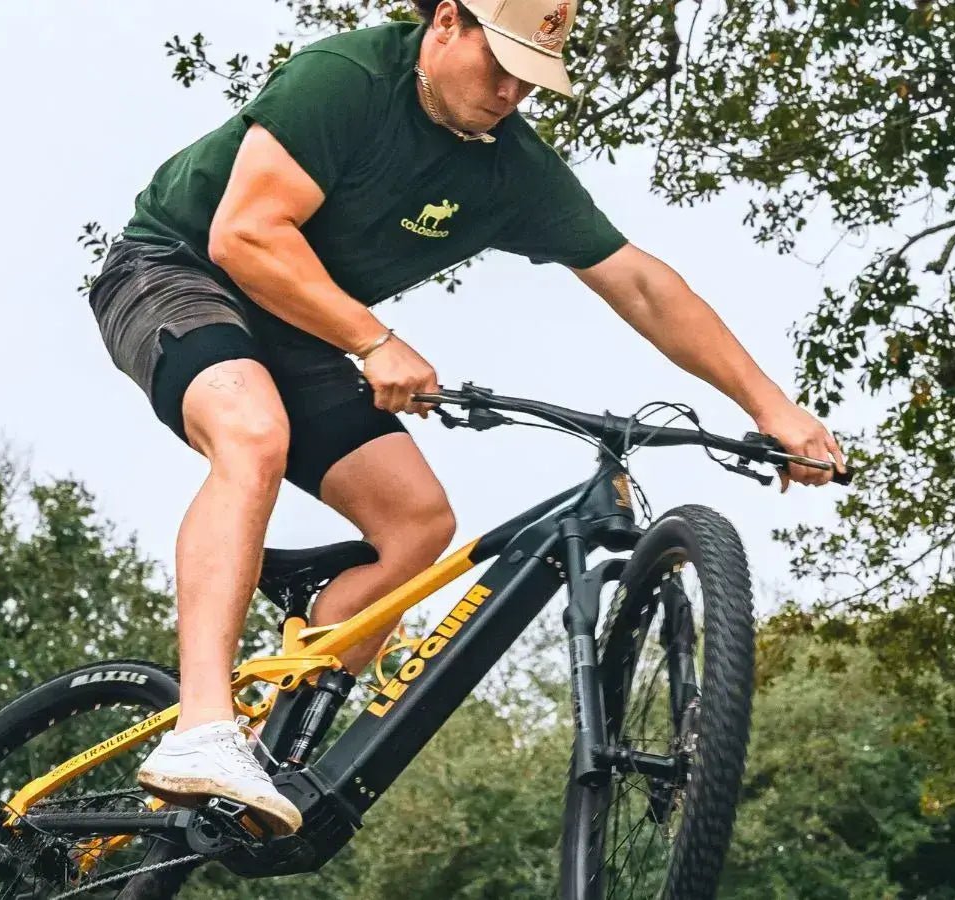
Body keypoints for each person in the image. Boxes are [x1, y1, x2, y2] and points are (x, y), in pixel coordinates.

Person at [87, 0, 843, 835]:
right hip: (176, 274)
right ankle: (202, 728)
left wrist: (775, 408)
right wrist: (373, 340)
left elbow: (641, 283)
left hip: (299, 326)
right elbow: (245, 236)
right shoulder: (347, 80)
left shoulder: (510, 169)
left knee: (416, 521)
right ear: (448, 22)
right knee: (252, 433)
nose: (512, 90)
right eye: (500, 64)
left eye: (532, 77)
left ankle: (269, 752)